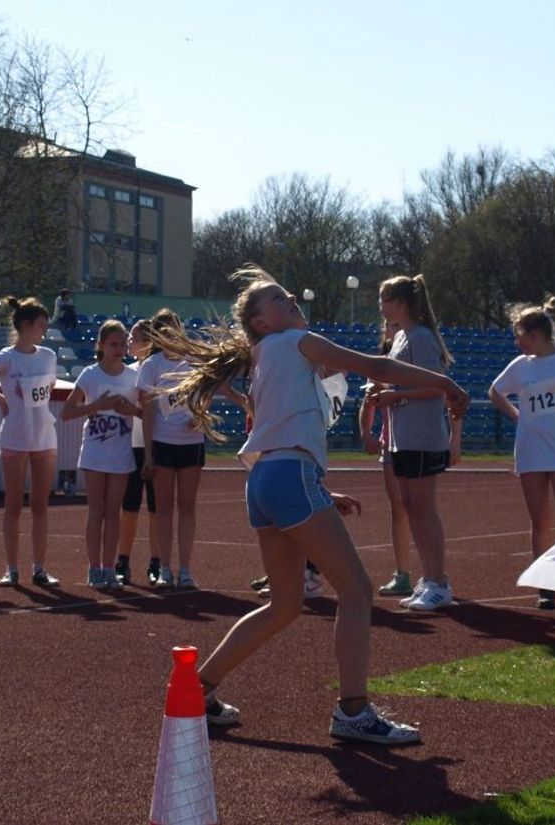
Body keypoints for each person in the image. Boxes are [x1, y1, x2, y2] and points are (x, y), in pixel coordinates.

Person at [155, 265, 469, 744]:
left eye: (288, 296)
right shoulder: (298, 343)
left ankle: (198, 688)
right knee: (358, 591)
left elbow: (273, 430)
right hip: (288, 477)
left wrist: (316, 490)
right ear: (260, 321)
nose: (291, 302)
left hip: (265, 480)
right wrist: (445, 384)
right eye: (279, 300)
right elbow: (378, 368)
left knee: (284, 606)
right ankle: (353, 711)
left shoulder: (262, 355)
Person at [489, 296, 555, 610]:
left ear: (536, 335)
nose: (517, 342)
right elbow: (495, 391)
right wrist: (516, 415)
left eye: (519, 335)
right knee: (540, 520)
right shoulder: (521, 366)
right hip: (532, 450)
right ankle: (545, 585)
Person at [370, 274, 457, 611]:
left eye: (384, 300)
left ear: (401, 303)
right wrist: (388, 394)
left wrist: (395, 395)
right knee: (410, 505)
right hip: (404, 434)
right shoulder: (401, 338)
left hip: (421, 435)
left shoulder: (420, 337)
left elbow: (438, 387)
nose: (380, 307)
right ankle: (430, 578)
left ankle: (438, 580)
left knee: (422, 507)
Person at [0, 297, 61, 587]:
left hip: (44, 435)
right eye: (41, 326)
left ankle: (40, 568)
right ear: (25, 326)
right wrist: (0, 399)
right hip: (15, 436)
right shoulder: (5, 358)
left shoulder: (48, 355)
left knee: (40, 505)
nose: (45, 332)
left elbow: (50, 385)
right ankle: (11, 568)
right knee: (13, 504)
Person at [61, 320, 140, 589]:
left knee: (113, 511)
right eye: (113, 344)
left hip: (120, 451)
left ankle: (109, 567)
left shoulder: (133, 377)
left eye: (123, 344)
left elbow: (145, 413)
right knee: (96, 510)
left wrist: (131, 411)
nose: (119, 349)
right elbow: (67, 412)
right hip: (95, 450)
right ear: (101, 346)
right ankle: (94, 568)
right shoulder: (90, 375)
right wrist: (98, 405)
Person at [138, 309, 205, 589]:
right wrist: (149, 453)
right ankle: (165, 567)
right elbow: (148, 410)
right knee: (163, 508)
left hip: (191, 442)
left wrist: (198, 416)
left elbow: (206, 395)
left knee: (187, 506)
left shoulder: (194, 361)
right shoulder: (151, 366)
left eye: (173, 330)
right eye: (163, 332)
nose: (169, 336)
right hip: (164, 443)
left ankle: (186, 569)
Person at [359, 320, 415, 597]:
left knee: (419, 508)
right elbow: (369, 399)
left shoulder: (418, 359)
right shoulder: (382, 363)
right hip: (391, 444)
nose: (391, 329)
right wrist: (366, 432)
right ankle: (403, 572)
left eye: (396, 323)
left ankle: (432, 573)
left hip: (417, 442)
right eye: (388, 325)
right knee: (399, 508)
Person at [115, 319, 158, 585]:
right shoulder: (127, 373)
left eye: (135, 338)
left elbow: (157, 414)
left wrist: (137, 411)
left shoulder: (157, 371)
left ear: (149, 342)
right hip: (130, 446)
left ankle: (156, 561)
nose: (130, 342)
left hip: (154, 445)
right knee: (129, 507)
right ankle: (123, 560)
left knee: (156, 508)